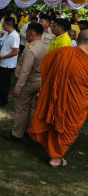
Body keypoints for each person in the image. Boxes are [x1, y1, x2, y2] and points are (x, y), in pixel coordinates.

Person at [28, 30, 88, 168]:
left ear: (77, 39)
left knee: (56, 120)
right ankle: (55, 158)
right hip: (76, 103)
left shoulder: (63, 53)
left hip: (56, 97)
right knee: (68, 127)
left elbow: (46, 64)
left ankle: (51, 148)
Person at [1, 23, 48, 141]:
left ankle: (17, 133)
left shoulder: (31, 50)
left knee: (21, 109)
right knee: (31, 107)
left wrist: (18, 87)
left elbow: (25, 72)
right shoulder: (44, 47)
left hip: (28, 82)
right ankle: (29, 130)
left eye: (26, 32)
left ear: (32, 33)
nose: (25, 35)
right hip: (38, 81)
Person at [0, 17, 20, 106]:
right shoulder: (7, 33)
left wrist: (2, 57)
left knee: (4, 83)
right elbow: (6, 47)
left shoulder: (15, 36)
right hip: (2, 62)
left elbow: (15, 51)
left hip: (8, 64)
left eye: (5, 25)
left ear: (10, 25)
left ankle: (3, 100)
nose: (3, 26)